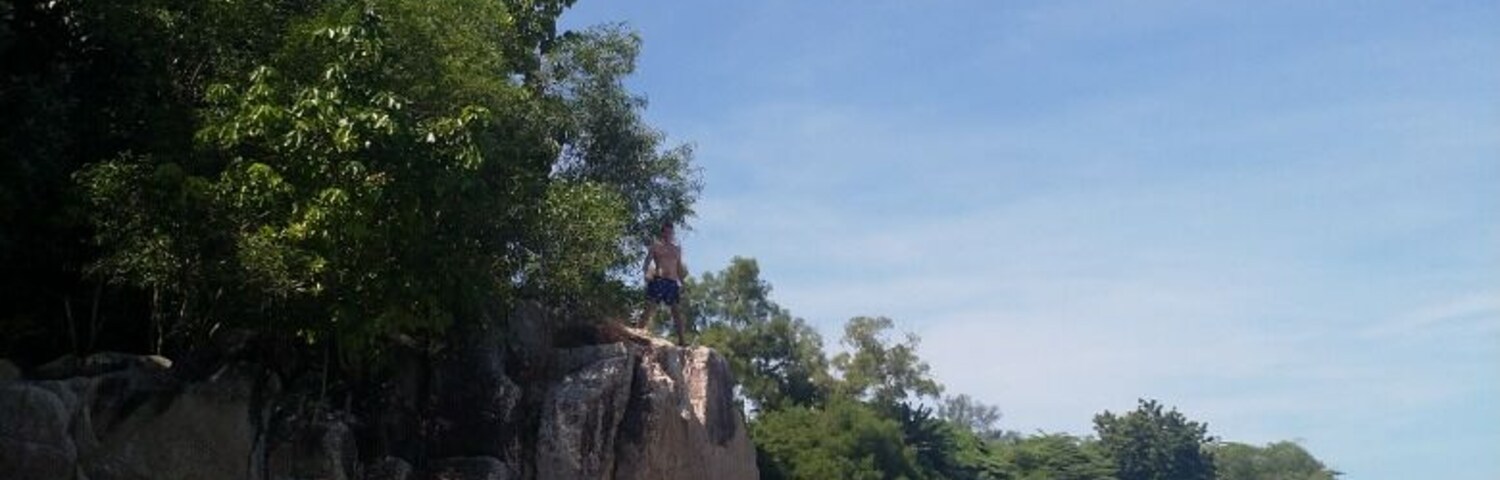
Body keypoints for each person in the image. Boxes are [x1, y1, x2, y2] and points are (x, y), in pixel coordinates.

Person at [638, 222, 688, 345]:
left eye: (670, 232)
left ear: (673, 233)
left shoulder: (676, 249)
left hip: (672, 282)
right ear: (662, 232)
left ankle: (682, 340)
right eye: (666, 232)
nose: (668, 234)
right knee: (649, 308)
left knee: (676, 312)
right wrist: (646, 274)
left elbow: (679, 267)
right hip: (659, 279)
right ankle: (638, 333)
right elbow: (647, 261)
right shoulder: (656, 246)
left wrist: (683, 283)